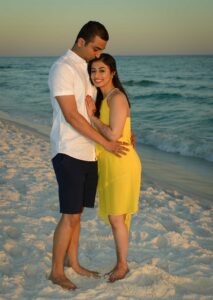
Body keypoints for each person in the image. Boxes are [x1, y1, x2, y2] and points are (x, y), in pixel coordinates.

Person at [48, 21, 128, 290]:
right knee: (69, 214)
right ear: (80, 41)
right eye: (95, 48)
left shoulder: (85, 69)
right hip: (68, 150)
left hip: (88, 153)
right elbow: (71, 116)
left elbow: (96, 112)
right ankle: (56, 271)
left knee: (77, 213)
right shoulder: (62, 68)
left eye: (102, 51)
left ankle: (74, 263)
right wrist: (106, 143)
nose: (97, 55)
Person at [86, 53, 142, 282]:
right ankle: (121, 262)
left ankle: (122, 266)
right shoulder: (104, 97)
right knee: (116, 217)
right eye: (93, 71)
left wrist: (93, 117)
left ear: (113, 73)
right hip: (111, 162)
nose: (96, 75)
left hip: (121, 162)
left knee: (118, 217)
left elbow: (112, 134)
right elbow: (123, 130)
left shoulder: (116, 97)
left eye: (101, 70)